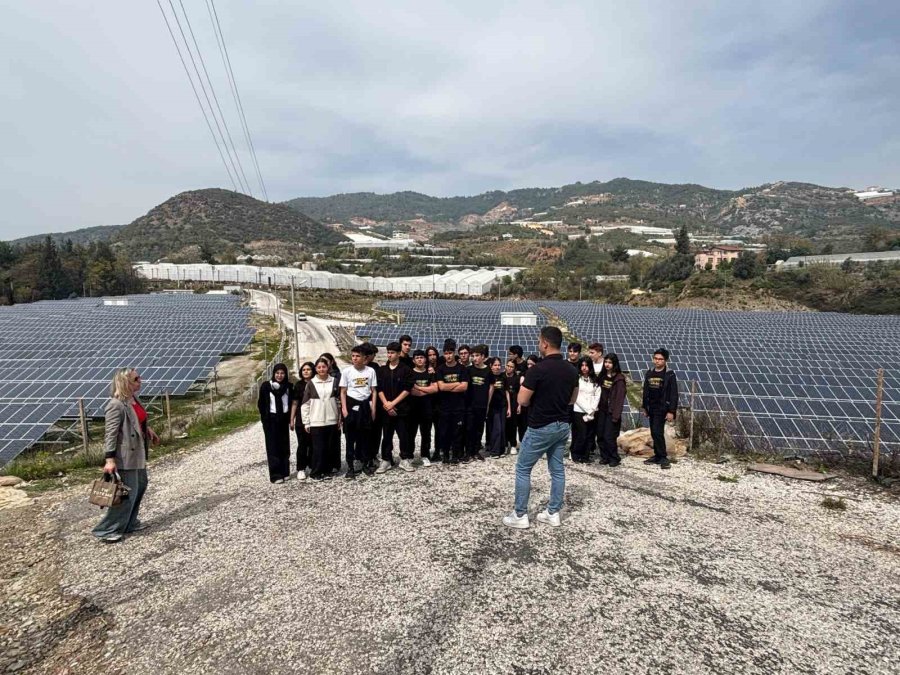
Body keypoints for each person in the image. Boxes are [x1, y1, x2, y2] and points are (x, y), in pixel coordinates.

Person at [503, 327, 578, 529]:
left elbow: (522, 400)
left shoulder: (537, 370)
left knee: (523, 469)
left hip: (540, 426)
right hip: (562, 425)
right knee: (557, 470)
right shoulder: (572, 370)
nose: (538, 345)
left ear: (545, 343)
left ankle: (520, 515)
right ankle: (553, 513)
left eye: (539, 342)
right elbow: (573, 399)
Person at [92, 368, 159, 543]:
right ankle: (106, 529)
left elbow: (137, 420)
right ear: (125, 383)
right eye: (136, 378)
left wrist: (148, 430)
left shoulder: (133, 399)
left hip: (138, 452)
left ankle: (129, 523)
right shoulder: (115, 405)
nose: (140, 380)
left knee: (141, 487)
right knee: (126, 494)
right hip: (125, 456)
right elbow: (111, 434)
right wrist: (109, 459)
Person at [300, 357, 341, 481]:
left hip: (332, 420)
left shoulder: (334, 381)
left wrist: (340, 418)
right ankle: (316, 472)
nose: (321, 369)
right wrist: (306, 422)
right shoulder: (311, 383)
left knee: (329, 447)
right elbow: (305, 404)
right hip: (316, 421)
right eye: (319, 367)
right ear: (316, 369)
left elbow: (339, 402)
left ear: (328, 367)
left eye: (324, 367)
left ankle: (327, 471)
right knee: (318, 448)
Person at [340, 345, 378, 479]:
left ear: (364, 358)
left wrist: (373, 409)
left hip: (365, 407)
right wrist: (344, 410)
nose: (355, 359)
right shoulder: (346, 372)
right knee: (350, 439)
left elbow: (374, 391)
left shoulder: (371, 371)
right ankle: (350, 467)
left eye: (358, 356)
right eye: (353, 356)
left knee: (366, 437)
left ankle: (366, 464)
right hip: (351, 407)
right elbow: (343, 392)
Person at [377, 341, 416, 473]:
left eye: (392, 352)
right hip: (386, 409)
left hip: (402, 409)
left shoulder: (406, 370)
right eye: (388, 352)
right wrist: (387, 405)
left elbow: (407, 389)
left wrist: (393, 403)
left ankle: (404, 459)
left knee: (404, 435)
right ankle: (386, 460)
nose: (389, 355)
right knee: (387, 435)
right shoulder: (382, 370)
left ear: (399, 354)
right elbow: (379, 389)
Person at [640, 348, 678, 470]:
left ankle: (663, 457)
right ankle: (657, 456)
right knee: (653, 432)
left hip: (662, 408)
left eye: (660, 359)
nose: (657, 361)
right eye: (655, 358)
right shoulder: (649, 372)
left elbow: (673, 394)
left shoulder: (669, 374)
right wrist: (645, 407)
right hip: (651, 407)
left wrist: (671, 411)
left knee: (657, 431)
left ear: (665, 360)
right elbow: (645, 390)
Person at [258, 363, 293, 483]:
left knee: (284, 446)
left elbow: (291, 403)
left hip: (283, 418)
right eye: (277, 373)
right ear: (273, 374)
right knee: (273, 447)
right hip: (271, 420)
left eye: (282, 373)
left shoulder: (288, 386)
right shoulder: (266, 386)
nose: (279, 375)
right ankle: (275, 475)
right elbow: (261, 404)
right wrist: (265, 419)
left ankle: (285, 472)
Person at [435, 339, 468, 464]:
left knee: (457, 432)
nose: (448, 355)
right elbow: (441, 387)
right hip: (445, 407)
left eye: (450, 353)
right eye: (446, 353)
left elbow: (464, 387)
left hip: (458, 407)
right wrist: (457, 384)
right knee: (444, 431)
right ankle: (445, 455)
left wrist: (448, 386)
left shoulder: (462, 369)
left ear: (454, 353)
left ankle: (455, 455)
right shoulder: (440, 369)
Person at [597, 353, 626, 467]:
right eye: (606, 362)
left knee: (609, 436)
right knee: (600, 435)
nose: (607, 365)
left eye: (610, 362)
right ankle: (605, 457)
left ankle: (614, 457)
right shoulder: (602, 376)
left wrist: (616, 415)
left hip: (611, 412)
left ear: (614, 364)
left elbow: (619, 398)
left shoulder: (619, 379)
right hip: (601, 410)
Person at [409, 349, 438, 466]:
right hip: (413, 408)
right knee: (411, 433)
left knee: (426, 434)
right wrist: (427, 390)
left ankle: (425, 455)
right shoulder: (410, 373)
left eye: (422, 357)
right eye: (417, 358)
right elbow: (411, 391)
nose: (420, 359)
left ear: (425, 359)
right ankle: (409, 456)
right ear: (413, 360)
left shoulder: (430, 373)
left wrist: (419, 388)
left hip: (427, 408)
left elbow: (435, 389)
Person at [570, 357, 600, 463]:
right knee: (580, 433)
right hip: (579, 410)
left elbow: (597, 395)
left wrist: (592, 410)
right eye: (582, 365)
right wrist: (588, 409)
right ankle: (575, 453)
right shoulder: (576, 378)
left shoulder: (595, 380)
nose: (584, 368)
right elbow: (576, 396)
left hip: (592, 411)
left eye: (586, 365)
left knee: (589, 434)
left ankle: (585, 456)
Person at [464, 345, 491, 462]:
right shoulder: (469, 370)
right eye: (473, 356)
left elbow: (491, 388)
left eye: (477, 356)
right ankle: (468, 452)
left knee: (479, 429)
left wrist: (488, 404)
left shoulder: (488, 371)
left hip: (482, 405)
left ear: (483, 357)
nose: (474, 358)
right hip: (470, 405)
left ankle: (476, 451)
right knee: (469, 428)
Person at [289, 361, 315, 480]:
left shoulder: (316, 383)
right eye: (304, 370)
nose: (306, 371)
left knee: (314, 444)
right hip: (301, 420)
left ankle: (313, 465)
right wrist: (292, 419)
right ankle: (301, 468)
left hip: (315, 418)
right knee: (302, 445)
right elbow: (294, 403)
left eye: (308, 369)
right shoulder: (298, 385)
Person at [515, 354, 540, 452]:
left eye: (532, 364)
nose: (529, 366)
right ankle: (523, 443)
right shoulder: (523, 375)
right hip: (525, 403)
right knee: (523, 425)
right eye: (528, 364)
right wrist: (519, 405)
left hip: (536, 404)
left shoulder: (540, 375)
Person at [486, 357, 510, 457]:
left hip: (502, 406)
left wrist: (509, 407)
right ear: (491, 366)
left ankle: (501, 449)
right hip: (492, 406)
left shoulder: (503, 376)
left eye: (499, 365)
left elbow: (506, 392)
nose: (497, 367)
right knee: (496, 428)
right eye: (495, 365)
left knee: (502, 428)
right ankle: (494, 451)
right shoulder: (488, 376)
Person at [425, 345, 442, 451]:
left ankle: (437, 450)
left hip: (439, 402)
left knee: (439, 429)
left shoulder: (441, 367)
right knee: (426, 430)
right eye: (430, 355)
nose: (432, 357)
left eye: (434, 354)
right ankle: (426, 453)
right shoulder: (423, 368)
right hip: (427, 403)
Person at [504, 359, 521, 454]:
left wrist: (519, 405)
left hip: (514, 403)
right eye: (508, 365)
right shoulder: (502, 376)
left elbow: (519, 392)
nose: (509, 368)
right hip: (504, 403)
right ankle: (505, 444)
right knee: (505, 425)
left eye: (511, 367)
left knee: (513, 425)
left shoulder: (517, 378)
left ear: (514, 369)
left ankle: (513, 444)